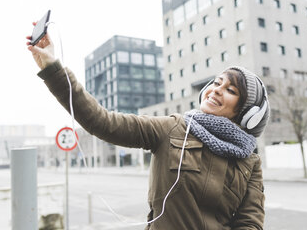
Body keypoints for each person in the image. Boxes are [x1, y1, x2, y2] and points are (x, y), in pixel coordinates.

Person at [26, 28, 269, 229]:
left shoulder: (250, 163)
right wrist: (52, 68)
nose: (216, 89)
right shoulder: (172, 129)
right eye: (217, 82)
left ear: (247, 114)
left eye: (230, 90)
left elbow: (250, 222)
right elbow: (102, 121)